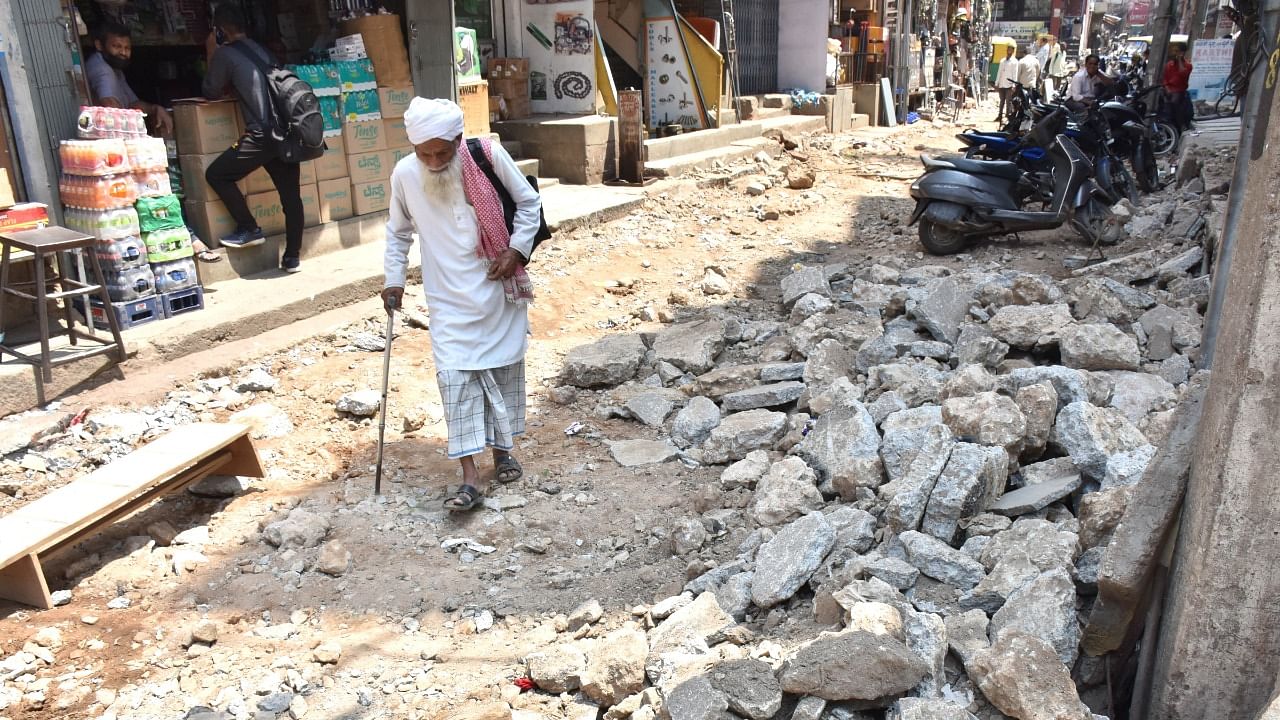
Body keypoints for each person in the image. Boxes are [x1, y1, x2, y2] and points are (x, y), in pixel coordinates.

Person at [381, 97, 541, 513]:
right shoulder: (404, 174)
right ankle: (469, 478)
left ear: (457, 139)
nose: (433, 161)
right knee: (455, 383)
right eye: (424, 154)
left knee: (502, 376)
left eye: (442, 152)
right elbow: (398, 233)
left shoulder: (486, 154)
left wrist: (517, 250)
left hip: (497, 292)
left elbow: (529, 203)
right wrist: (393, 281)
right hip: (447, 300)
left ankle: (503, 452)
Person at [201, 4, 305, 273]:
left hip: (260, 136)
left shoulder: (225, 54)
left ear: (220, 31)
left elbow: (210, 90)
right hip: (285, 132)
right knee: (291, 196)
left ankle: (248, 227)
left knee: (217, 175)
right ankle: (292, 258)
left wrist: (212, 51)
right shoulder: (261, 50)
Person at [85, 22, 173, 136]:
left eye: (127, 48)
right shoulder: (102, 69)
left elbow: (132, 103)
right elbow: (109, 105)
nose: (123, 52)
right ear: (99, 45)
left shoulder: (115, 68)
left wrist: (155, 108)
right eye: (116, 46)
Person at [1163, 41, 1194, 132]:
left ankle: (1181, 124)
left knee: (1175, 101)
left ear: (1182, 52)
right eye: (1174, 51)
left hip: (1179, 90)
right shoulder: (1169, 65)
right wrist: (1167, 88)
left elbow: (1183, 74)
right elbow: (1165, 79)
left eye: (1177, 51)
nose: (1174, 53)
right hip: (1168, 89)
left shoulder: (1188, 65)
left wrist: (1180, 60)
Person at [994, 45, 1018, 121]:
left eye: (1011, 50)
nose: (1009, 51)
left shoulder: (1015, 62)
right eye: (1008, 50)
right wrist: (997, 83)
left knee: (1008, 101)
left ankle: (1008, 116)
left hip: (1009, 85)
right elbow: (999, 72)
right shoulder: (1002, 60)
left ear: (1013, 51)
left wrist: (1014, 85)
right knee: (1001, 101)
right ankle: (1000, 115)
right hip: (1002, 83)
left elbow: (1015, 73)